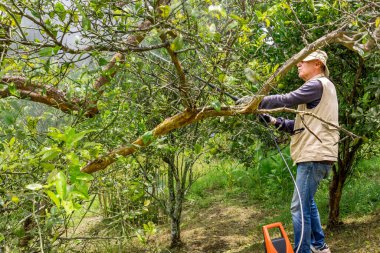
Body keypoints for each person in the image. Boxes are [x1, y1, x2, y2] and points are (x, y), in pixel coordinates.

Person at [237, 50, 338, 253]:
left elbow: (287, 99)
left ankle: (303, 250)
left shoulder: (317, 84)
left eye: (303, 61)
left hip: (314, 154)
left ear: (317, 64)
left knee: (298, 207)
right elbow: (300, 125)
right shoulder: (321, 89)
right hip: (317, 154)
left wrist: (254, 101)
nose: (298, 65)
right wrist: (273, 121)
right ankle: (319, 246)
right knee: (306, 203)